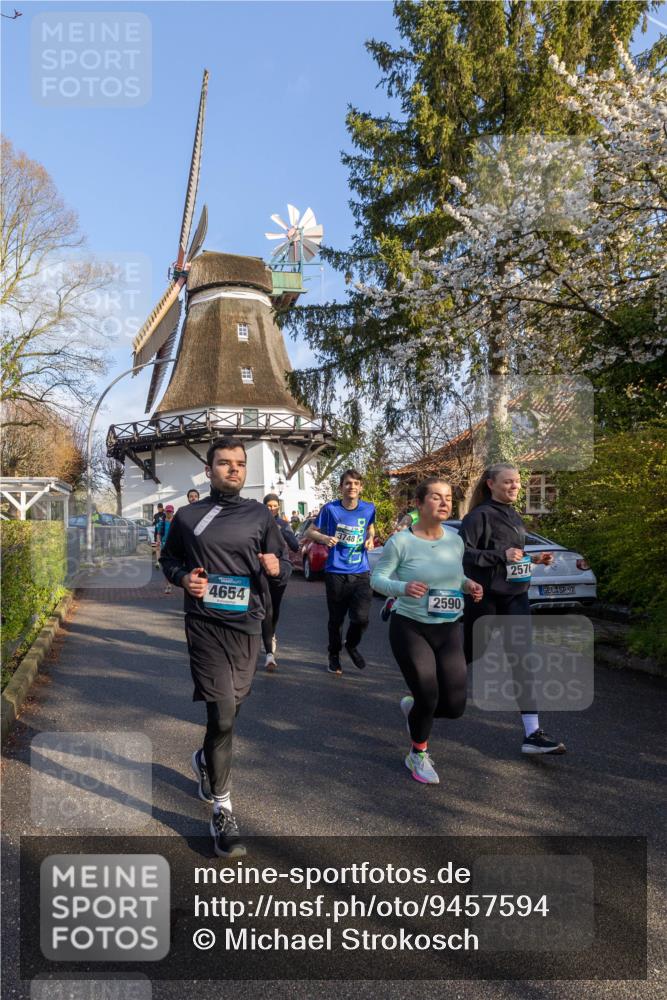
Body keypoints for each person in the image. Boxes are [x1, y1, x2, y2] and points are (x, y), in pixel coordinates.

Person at [159, 436, 291, 857]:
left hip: (247, 625)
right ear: (208, 469)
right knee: (222, 712)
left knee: (231, 713)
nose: (234, 469)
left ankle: (204, 759)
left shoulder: (260, 515)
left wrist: (276, 567)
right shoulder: (188, 516)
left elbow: (284, 566)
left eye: (240, 463)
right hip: (204, 625)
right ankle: (222, 808)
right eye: (224, 463)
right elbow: (168, 560)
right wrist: (184, 579)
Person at [371, 478, 483, 784]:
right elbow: (377, 579)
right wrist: (402, 588)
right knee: (428, 695)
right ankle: (417, 753)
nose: (445, 502)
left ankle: (414, 708)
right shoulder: (401, 542)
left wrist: (469, 585)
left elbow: (456, 577)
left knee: (455, 707)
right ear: (419, 504)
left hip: (449, 628)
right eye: (436, 497)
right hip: (410, 627)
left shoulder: (455, 540)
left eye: (448, 497)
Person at [459, 463, 566, 755]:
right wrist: (501, 555)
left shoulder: (514, 515)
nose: (515, 486)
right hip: (486, 599)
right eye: (508, 482)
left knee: (523, 660)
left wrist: (533, 560)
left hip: (516, 597)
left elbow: (512, 556)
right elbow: (463, 554)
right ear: (491, 484)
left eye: (517, 481)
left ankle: (532, 733)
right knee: (470, 653)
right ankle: (427, 693)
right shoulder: (478, 516)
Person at [306, 468, 375, 675]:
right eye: (348, 483)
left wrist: (370, 538)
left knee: (361, 618)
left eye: (356, 483)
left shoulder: (369, 508)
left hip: (361, 570)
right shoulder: (330, 509)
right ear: (341, 487)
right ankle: (334, 655)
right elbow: (310, 532)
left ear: (361, 487)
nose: (352, 487)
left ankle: (351, 644)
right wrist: (324, 538)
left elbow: (370, 527)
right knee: (336, 619)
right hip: (336, 572)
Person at [261, 494, 299, 671]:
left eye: (274, 506)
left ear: (278, 507)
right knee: (266, 609)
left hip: (280, 571)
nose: (271, 509)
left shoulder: (283, 524)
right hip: (262, 570)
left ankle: (272, 633)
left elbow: (295, 546)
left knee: (274, 608)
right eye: (268, 506)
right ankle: (269, 653)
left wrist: (284, 533)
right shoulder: (257, 523)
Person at [156, 505, 175, 593]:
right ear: (165, 512)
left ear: (173, 512)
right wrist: (158, 541)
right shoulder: (162, 522)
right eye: (167, 511)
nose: (169, 513)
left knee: (173, 566)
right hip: (164, 546)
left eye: (170, 512)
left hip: (174, 546)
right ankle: (168, 585)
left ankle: (172, 581)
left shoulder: (176, 522)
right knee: (166, 566)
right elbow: (158, 533)